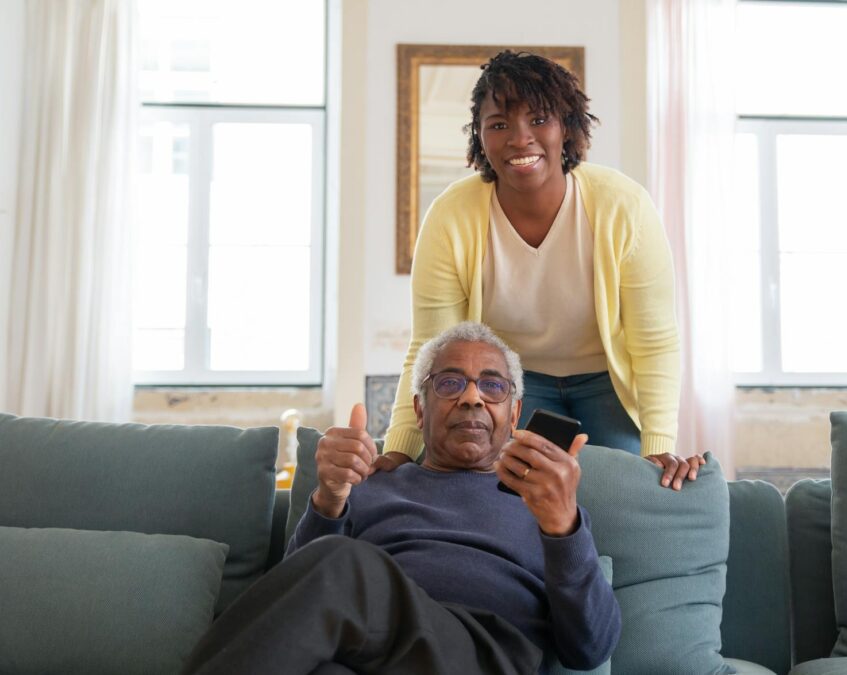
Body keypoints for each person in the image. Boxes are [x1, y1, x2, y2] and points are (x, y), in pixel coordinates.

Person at [182, 322, 620, 675]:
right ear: (420, 408)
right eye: (450, 384)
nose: (472, 397)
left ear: (514, 415)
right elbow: (292, 601)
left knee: (340, 562)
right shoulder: (371, 482)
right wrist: (329, 497)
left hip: (481, 655)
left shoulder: (546, 502)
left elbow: (590, 647)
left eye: (493, 387)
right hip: (363, 654)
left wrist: (563, 524)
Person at [378, 50, 703, 491]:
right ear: (480, 137)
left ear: (566, 128)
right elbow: (431, 347)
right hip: (514, 384)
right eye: (499, 125)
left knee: (622, 495)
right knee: (509, 498)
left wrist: (657, 443)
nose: (519, 139)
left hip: (607, 382)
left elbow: (655, 340)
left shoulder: (623, 206)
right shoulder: (450, 216)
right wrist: (398, 448)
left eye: (539, 120)